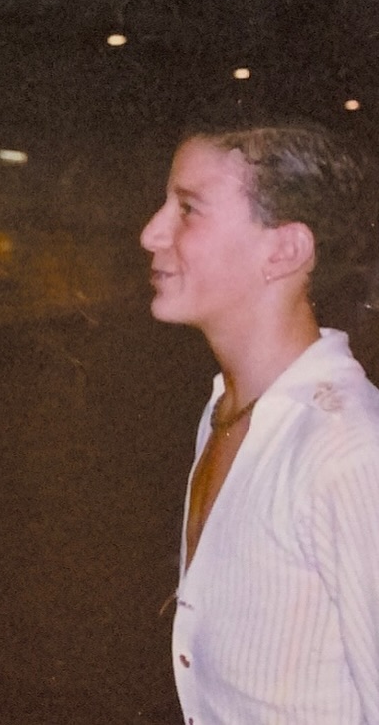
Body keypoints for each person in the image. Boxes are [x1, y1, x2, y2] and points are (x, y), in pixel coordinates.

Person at [140, 119, 379, 724]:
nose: (151, 233)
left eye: (187, 208)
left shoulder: (348, 453)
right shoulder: (226, 411)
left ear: (284, 251)